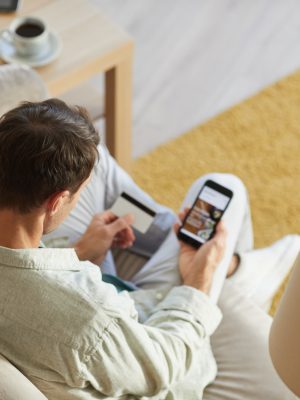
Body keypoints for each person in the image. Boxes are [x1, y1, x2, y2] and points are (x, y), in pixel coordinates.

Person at [0, 99, 298, 400]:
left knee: (187, 204)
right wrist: (200, 281)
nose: (80, 197)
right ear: (55, 202)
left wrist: (79, 254)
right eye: (79, 193)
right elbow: (166, 365)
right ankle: (243, 268)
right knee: (224, 188)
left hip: (111, 293)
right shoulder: (88, 320)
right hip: (159, 337)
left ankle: (235, 265)